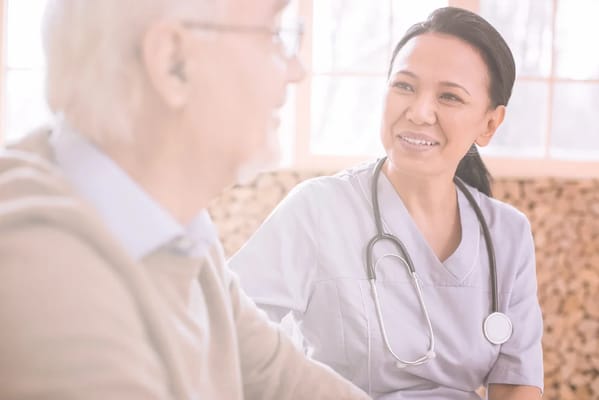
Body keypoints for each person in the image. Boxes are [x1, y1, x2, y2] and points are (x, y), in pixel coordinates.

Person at [0, 0, 371, 399]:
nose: (297, 71)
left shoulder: (177, 229)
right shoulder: (50, 287)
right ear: (173, 63)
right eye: (274, 34)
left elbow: (280, 375)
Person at [229, 7, 543, 400]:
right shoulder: (320, 210)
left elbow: (517, 381)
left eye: (449, 96)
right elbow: (224, 328)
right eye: (405, 86)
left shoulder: (507, 234)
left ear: (489, 124)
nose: (418, 111)